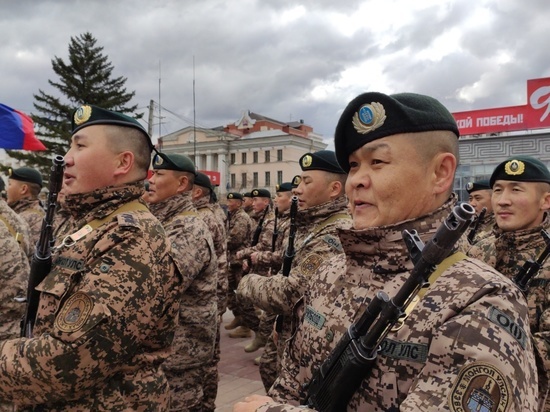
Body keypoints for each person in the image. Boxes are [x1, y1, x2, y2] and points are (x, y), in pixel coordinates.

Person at [234, 92, 538, 411]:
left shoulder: (481, 301)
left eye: (377, 162)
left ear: (440, 173)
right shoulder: (332, 270)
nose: (355, 182)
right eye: (353, 165)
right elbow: (293, 385)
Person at [0, 104, 182, 410]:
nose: (67, 157)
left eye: (80, 146)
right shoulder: (89, 224)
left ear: (122, 162)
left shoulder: (132, 237)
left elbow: (68, 361)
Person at [238, 150, 352, 391]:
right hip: (293, 331)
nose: (297, 189)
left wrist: (246, 283)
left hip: (313, 343)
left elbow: (290, 292)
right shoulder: (313, 223)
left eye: (307, 182)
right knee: (270, 369)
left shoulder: (334, 233)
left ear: (334, 189)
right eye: (299, 181)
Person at [467, 155, 550, 411]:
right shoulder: (477, 252)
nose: (503, 200)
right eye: (498, 190)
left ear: (545, 201)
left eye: (516, 190)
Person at [145, 152, 218, 412]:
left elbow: (156, 286)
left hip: (180, 353)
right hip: (166, 349)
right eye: (153, 174)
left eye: (160, 175)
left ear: (182, 184)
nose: (151, 181)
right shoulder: (164, 222)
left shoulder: (187, 228)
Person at [192, 171, 228, 411]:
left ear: (196, 192)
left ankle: (205, 404)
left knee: (204, 362)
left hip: (204, 300)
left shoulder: (202, 218)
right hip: (212, 297)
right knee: (208, 359)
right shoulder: (204, 215)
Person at [234, 189, 275, 352]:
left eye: (256, 199)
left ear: (265, 202)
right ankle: (261, 336)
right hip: (256, 264)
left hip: (265, 268)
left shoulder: (270, 221)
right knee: (244, 300)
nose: (252, 202)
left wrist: (243, 253)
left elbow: (264, 246)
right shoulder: (259, 218)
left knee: (266, 311)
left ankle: (265, 341)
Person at [225, 192, 255, 332]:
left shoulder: (242, 217)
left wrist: (220, 243)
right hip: (232, 260)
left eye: (231, 201)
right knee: (228, 290)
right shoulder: (233, 216)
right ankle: (239, 317)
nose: (228, 203)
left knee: (242, 295)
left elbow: (235, 238)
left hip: (239, 261)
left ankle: (248, 326)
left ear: (238, 203)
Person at [6, 166, 45, 257]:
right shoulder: (23, 213)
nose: (7, 189)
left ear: (23, 189)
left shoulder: (33, 218)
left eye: (10, 184)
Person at [465, 179, 495, 244]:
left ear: (494, 199)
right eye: (470, 199)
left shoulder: (499, 227)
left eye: (478, 198)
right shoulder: (467, 224)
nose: (472, 204)